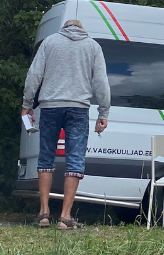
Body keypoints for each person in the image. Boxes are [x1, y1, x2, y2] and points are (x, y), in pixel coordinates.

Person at [21, 19, 110, 230]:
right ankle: (65, 217)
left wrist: (27, 104)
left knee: (46, 157)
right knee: (74, 160)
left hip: (50, 106)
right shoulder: (92, 46)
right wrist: (103, 112)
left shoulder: (50, 42)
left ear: (65, 28)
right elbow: (101, 81)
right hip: (78, 109)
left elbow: (34, 75)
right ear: (82, 28)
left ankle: (44, 214)